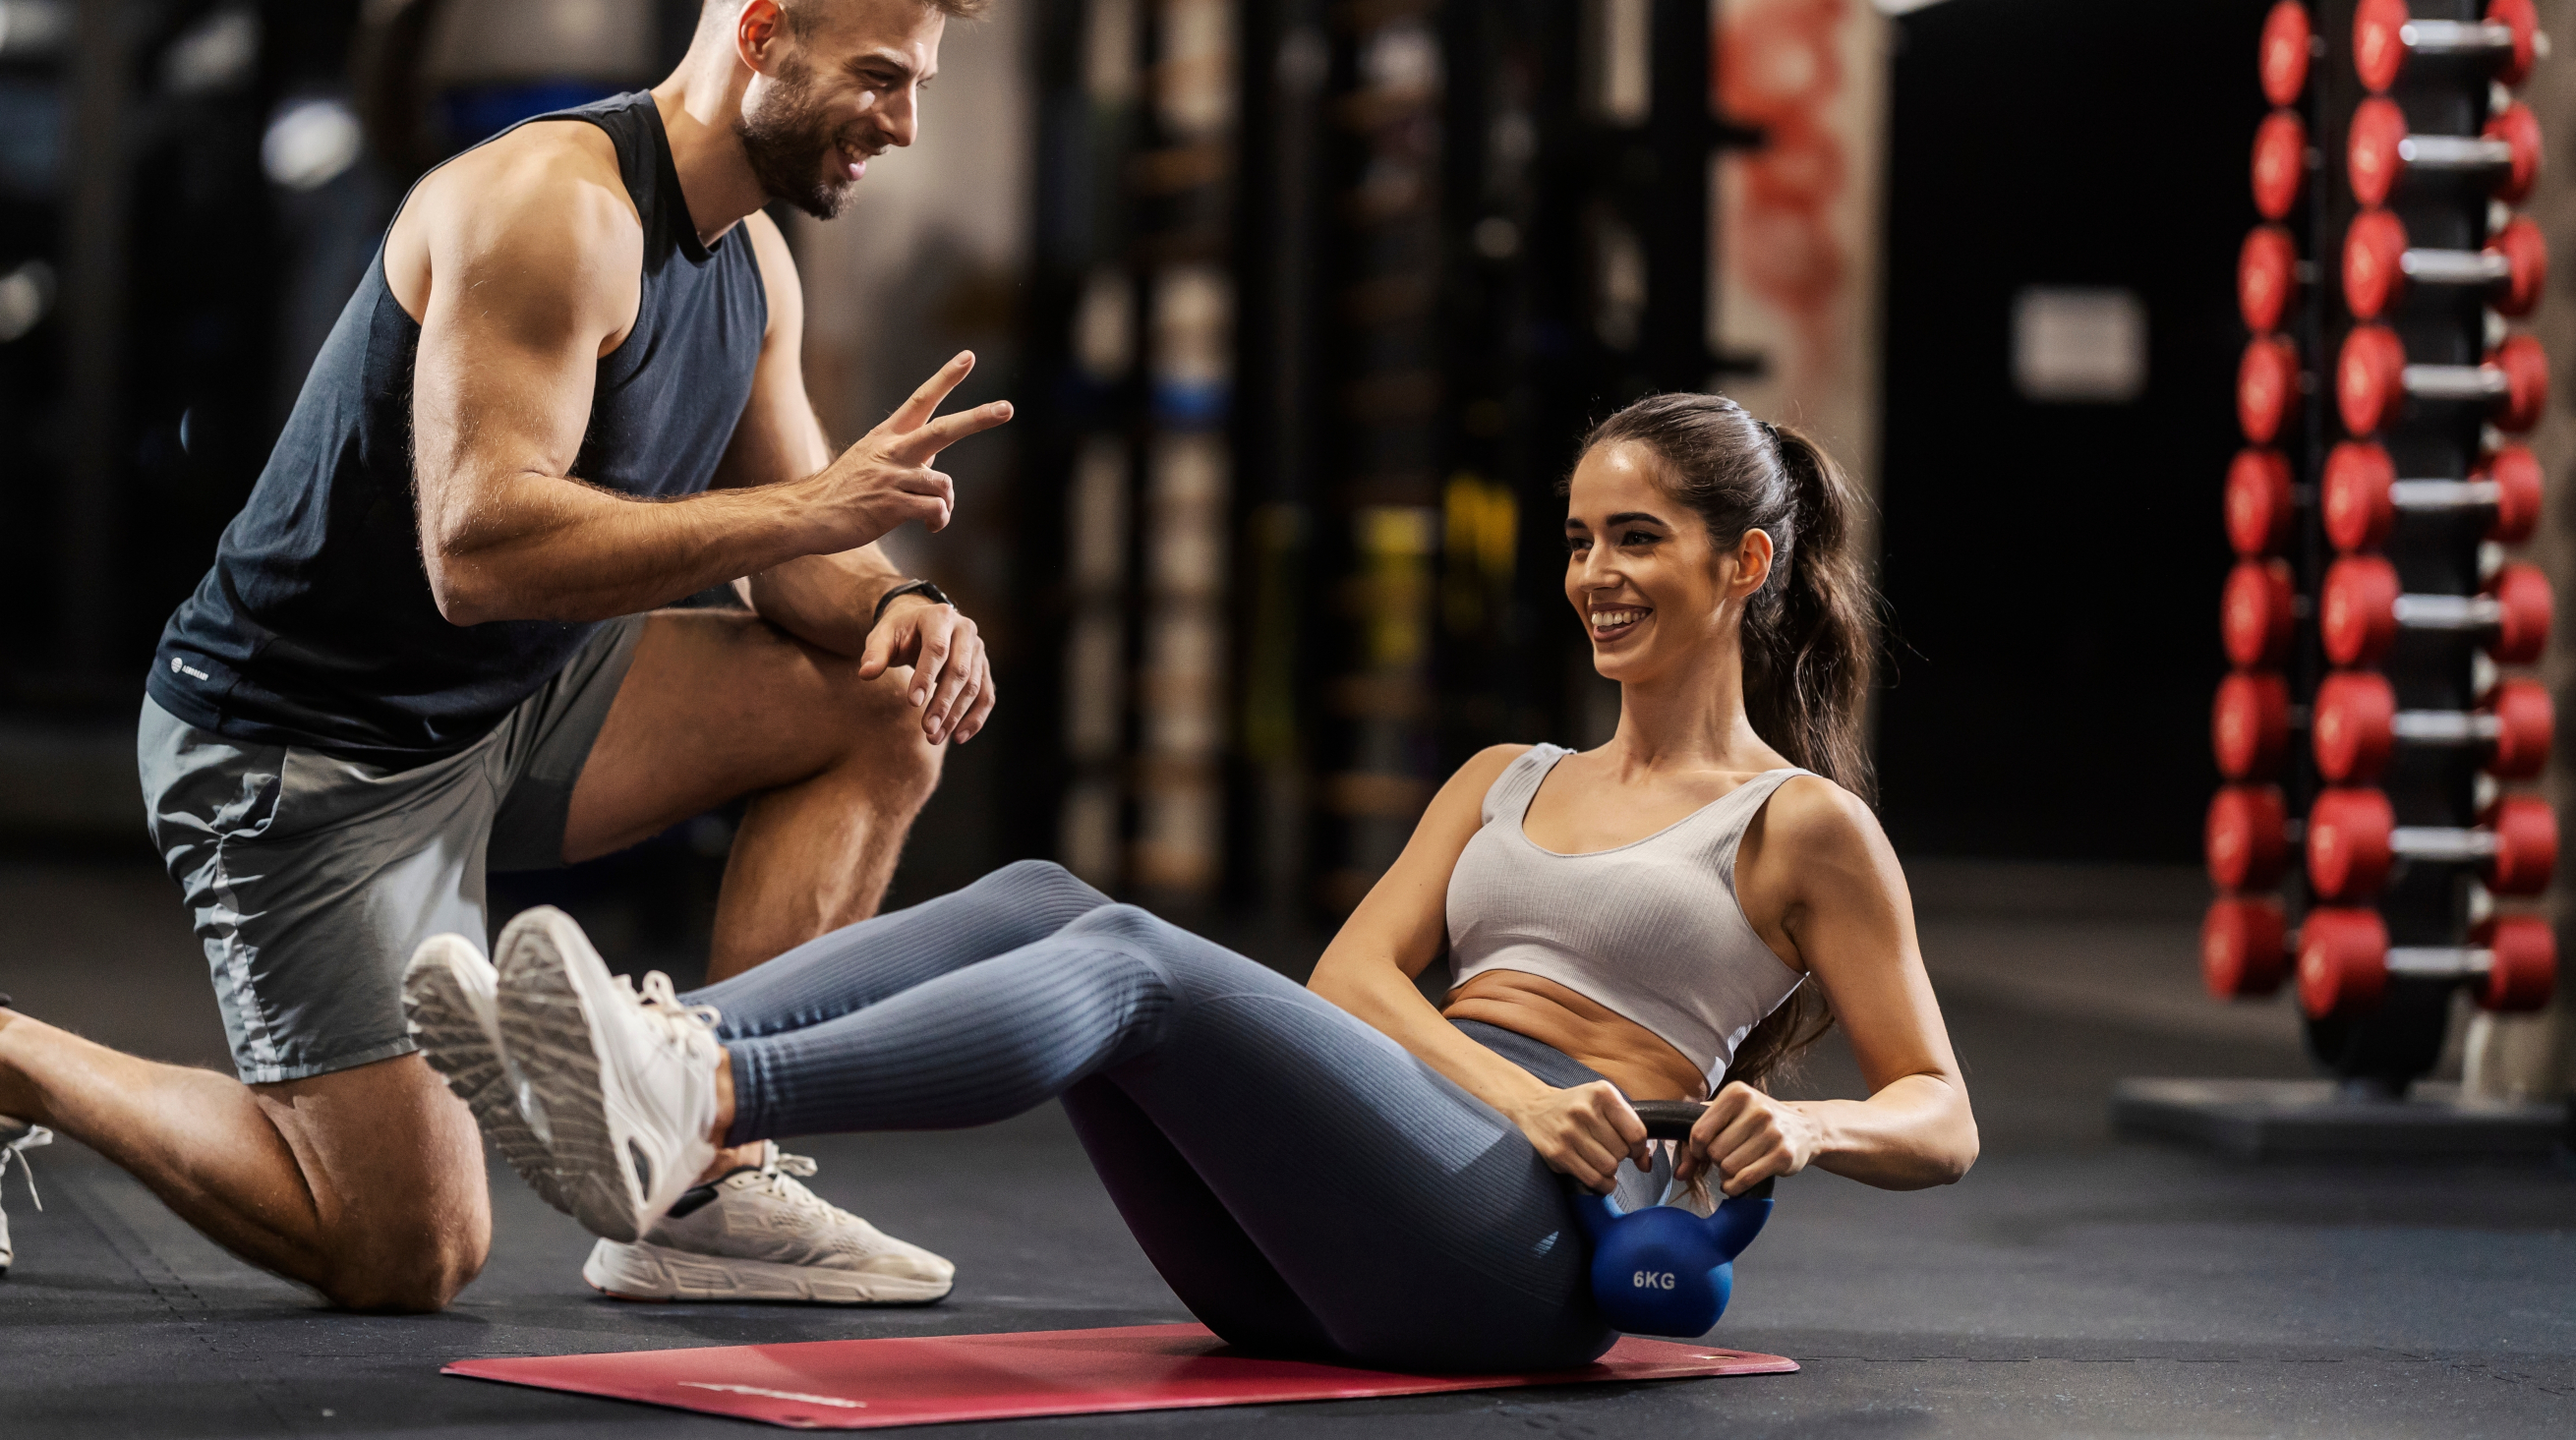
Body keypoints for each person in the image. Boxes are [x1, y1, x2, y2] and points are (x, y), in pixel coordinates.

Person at [0, 0, 1010, 1312]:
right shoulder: (554, 208)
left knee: (884, 700)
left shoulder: (754, 266)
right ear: (762, 33)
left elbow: (805, 560)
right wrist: (806, 511)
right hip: (304, 747)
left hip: (513, 703)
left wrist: (903, 606)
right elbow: (478, 552)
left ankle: (708, 1173)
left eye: (920, 88)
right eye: (883, 77)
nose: (904, 124)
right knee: (407, 1254)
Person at [432, 392, 1979, 1371]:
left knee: (1133, 970)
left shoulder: (1800, 826)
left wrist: (1815, 1120)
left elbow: (1941, 1113)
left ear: (1747, 567)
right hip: (1359, 1213)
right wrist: (1502, 1091)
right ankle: (645, 1046)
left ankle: (701, 1094)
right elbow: (1352, 986)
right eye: (1580, 540)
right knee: (1045, 891)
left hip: (1525, 1253)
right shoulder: (1506, 775)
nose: (1595, 574)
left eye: (1638, 538)